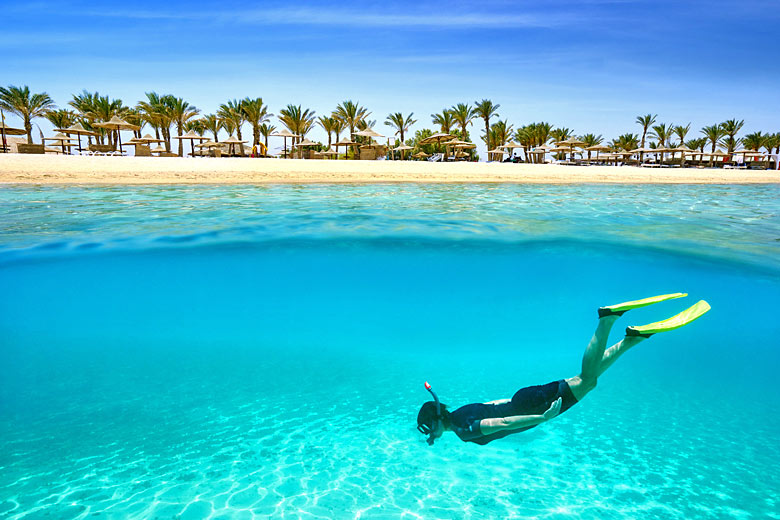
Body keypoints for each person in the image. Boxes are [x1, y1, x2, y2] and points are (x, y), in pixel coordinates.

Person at [417, 294, 710, 446]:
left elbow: (501, 424)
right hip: (521, 399)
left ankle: (607, 320)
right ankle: (632, 339)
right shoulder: (460, 413)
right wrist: (526, 408)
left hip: (532, 406)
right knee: (589, 381)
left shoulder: (462, 431)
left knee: (586, 379)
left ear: (433, 423)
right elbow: (494, 405)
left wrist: (541, 417)